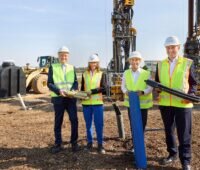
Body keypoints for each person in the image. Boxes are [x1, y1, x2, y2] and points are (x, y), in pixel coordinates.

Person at [155, 36, 197, 170]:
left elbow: (193, 83)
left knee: (184, 133)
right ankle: (172, 154)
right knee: (169, 131)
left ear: (178, 48)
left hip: (183, 104)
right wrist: (157, 89)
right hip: (166, 104)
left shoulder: (187, 63)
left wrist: (191, 95)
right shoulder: (160, 64)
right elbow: (158, 82)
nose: (171, 50)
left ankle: (185, 161)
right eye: (168, 47)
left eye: (173, 47)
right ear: (166, 49)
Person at [47, 46, 79, 153]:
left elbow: (75, 82)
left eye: (65, 55)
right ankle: (58, 143)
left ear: (68, 56)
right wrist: (58, 91)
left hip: (70, 99)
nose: (63, 57)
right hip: (58, 99)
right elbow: (49, 83)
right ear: (58, 56)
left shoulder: (72, 67)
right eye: (61, 55)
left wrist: (73, 90)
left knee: (74, 120)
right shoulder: (53, 67)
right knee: (58, 122)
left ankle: (74, 143)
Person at [121, 51, 153, 151]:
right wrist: (126, 92)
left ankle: (140, 145)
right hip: (131, 105)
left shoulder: (146, 73)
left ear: (140, 61)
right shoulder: (126, 73)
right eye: (132, 59)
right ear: (129, 61)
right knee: (133, 125)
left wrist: (143, 92)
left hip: (143, 105)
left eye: (137, 60)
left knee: (141, 126)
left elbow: (150, 87)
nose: (135, 61)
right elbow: (123, 86)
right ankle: (135, 145)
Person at [81, 54, 107, 154]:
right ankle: (89, 143)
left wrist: (92, 91)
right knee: (88, 125)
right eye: (92, 62)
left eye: (95, 62)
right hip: (86, 103)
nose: (93, 64)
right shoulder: (84, 74)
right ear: (89, 63)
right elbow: (83, 89)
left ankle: (100, 145)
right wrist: (79, 95)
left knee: (99, 124)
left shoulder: (101, 74)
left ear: (97, 63)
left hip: (97, 103)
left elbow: (104, 88)